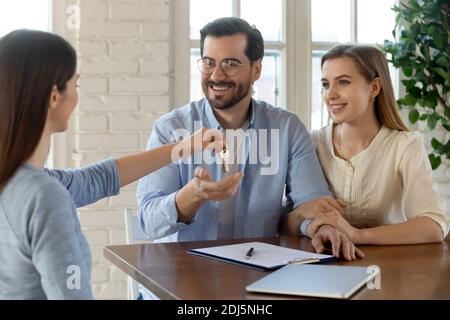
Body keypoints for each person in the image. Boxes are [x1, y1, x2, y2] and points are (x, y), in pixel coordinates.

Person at [0, 29, 224, 299]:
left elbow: (98, 179)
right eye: (75, 84)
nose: (77, 94)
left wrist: (185, 147)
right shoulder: (45, 196)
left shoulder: (18, 181)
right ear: (54, 97)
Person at [136, 16, 365, 273]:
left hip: (258, 275)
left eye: (230, 64)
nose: (216, 75)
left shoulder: (287, 129)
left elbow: (311, 203)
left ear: (256, 69)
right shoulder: (170, 129)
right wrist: (192, 196)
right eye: (208, 63)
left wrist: (322, 227)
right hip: (183, 275)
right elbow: (150, 222)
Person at [289, 44, 449, 246]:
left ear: (374, 87)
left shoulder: (404, 146)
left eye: (343, 82)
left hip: (391, 268)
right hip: (326, 266)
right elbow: (287, 223)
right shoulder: (311, 143)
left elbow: (434, 226)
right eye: (325, 84)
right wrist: (299, 214)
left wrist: (357, 235)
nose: (330, 95)